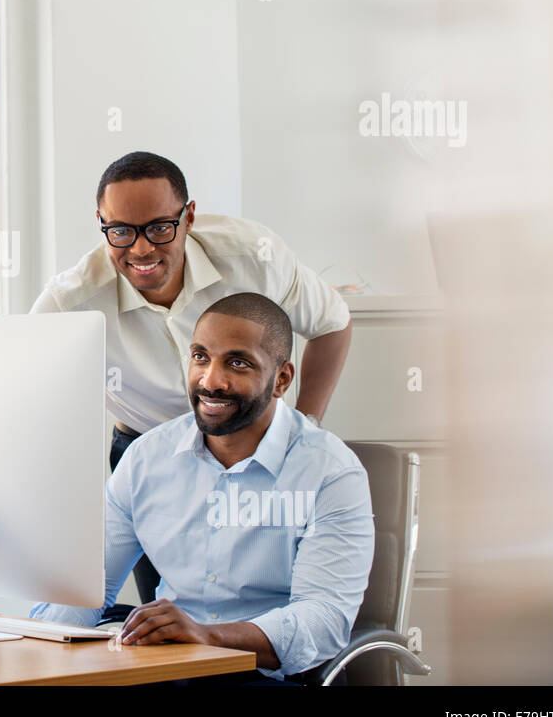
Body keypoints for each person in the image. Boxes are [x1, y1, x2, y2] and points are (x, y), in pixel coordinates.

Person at [31, 151, 353, 602]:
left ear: (189, 216)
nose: (141, 248)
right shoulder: (71, 302)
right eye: (120, 231)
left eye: (160, 228)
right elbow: (23, 398)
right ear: (101, 222)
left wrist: (307, 427)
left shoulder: (253, 257)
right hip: (150, 457)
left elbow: (332, 324)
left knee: (272, 603)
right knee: (167, 616)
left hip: (258, 449)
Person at [29, 293, 374, 684]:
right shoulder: (147, 458)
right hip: (169, 667)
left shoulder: (330, 471)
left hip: (270, 674)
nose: (211, 381)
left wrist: (207, 637)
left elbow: (323, 622)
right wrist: (38, 659)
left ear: (281, 379)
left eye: (237, 363)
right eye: (200, 357)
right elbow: (88, 588)